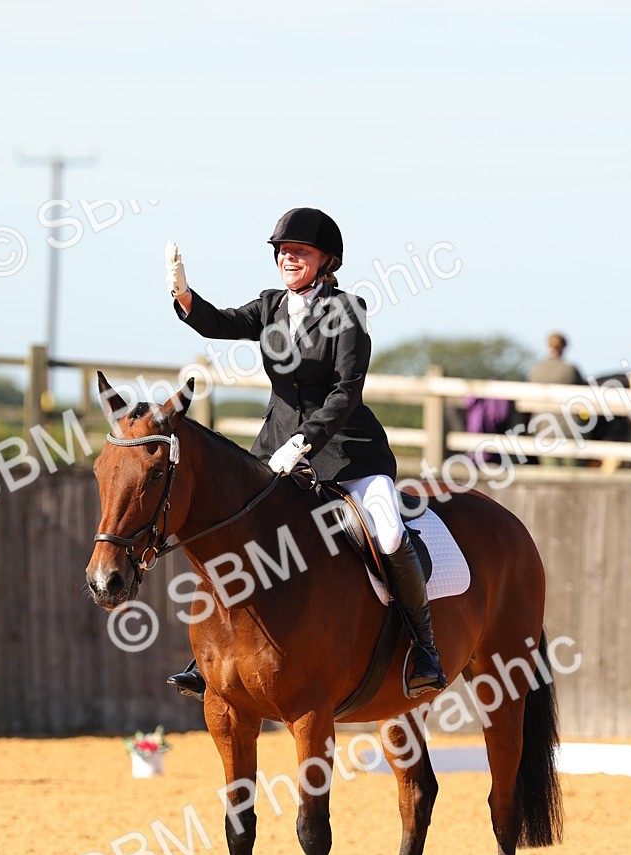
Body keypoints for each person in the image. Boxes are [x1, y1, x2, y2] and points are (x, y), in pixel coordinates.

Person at [163, 207, 448, 702]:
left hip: (346, 451)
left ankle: (424, 648)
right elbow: (220, 324)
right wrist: (183, 295)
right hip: (274, 448)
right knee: (233, 530)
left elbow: (345, 392)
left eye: (300, 252)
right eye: (283, 251)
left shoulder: (348, 311)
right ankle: (209, 653)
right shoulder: (271, 305)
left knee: (386, 528)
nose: (288, 258)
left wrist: (308, 440)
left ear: (325, 260)